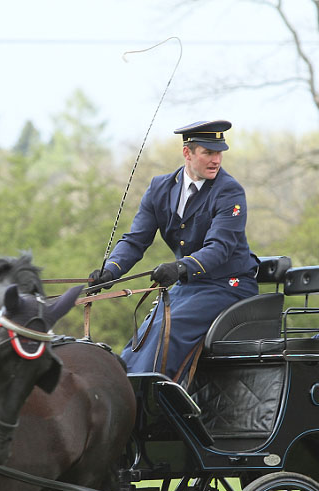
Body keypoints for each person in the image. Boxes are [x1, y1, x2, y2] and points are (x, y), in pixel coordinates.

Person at [88, 120, 259, 379]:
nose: (216, 160)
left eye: (219, 152)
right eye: (208, 153)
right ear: (187, 153)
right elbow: (135, 240)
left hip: (227, 285)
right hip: (188, 288)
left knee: (168, 333)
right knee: (142, 338)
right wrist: (111, 271)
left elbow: (220, 248)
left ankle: (152, 406)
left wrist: (180, 267)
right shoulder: (160, 188)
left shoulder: (229, 191)